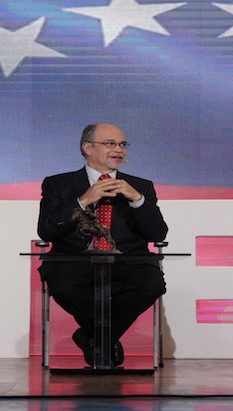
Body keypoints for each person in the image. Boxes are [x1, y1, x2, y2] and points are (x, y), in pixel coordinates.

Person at [37, 123, 168, 367]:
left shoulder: (141, 186)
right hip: (74, 259)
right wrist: (83, 201)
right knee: (64, 286)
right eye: (110, 144)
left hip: (128, 260)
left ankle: (93, 338)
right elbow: (47, 229)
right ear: (87, 148)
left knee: (151, 286)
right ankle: (104, 340)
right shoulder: (58, 184)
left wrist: (137, 200)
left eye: (122, 145)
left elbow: (157, 233)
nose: (118, 150)